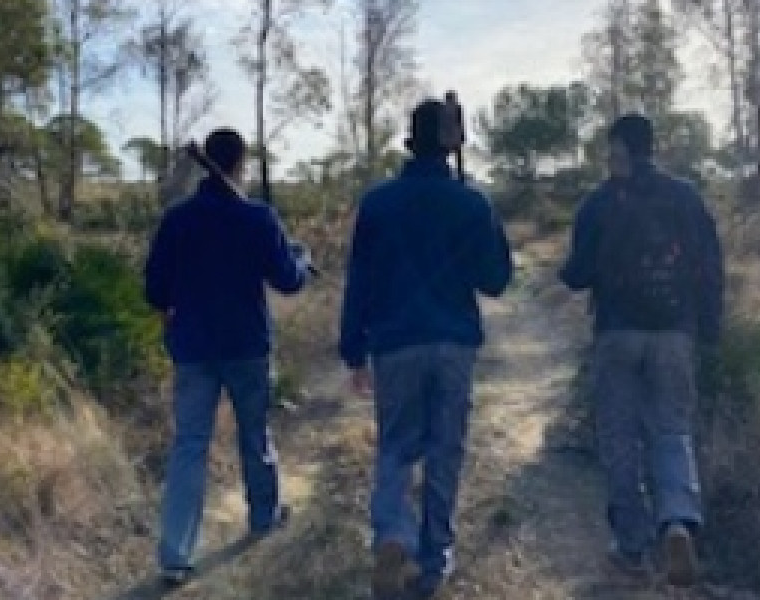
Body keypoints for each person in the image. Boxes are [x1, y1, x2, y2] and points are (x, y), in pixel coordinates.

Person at [341, 99, 513, 600]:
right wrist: (482, 219)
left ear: (410, 140)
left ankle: (393, 535)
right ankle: (433, 557)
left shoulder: (377, 203)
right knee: (446, 449)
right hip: (453, 342)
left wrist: (353, 350)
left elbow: (361, 282)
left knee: (396, 446)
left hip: (394, 343)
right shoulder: (471, 202)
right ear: (453, 143)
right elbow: (497, 280)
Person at [560, 114, 724, 586]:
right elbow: (710, 265)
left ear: (619, 149)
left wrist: (564, 274)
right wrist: (709, 328)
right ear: (654, 147)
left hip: (617, 333)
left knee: (619, 437)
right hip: (675, 332)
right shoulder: (686, 197)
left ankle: (631, 550)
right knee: (672, 430)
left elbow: (577, 273)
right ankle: (676, 520)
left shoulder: (600, 201)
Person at [145, 128, 311, 584]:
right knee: (255, 436)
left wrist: (172, 316)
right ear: (241, 164)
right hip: (246, 347)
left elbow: (154, 288)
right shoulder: (258, 218)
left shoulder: (178, 220)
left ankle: (177, 554)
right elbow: (288, 281)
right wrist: (302, 259)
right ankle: (264, 516)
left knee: (189, 447)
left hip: (193, 349)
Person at [440, 90, 466, 180]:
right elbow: (460, 122)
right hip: (454, 133)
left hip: (446, 134)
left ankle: (444, 172)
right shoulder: (457, 107)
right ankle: (460, 173)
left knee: (445, 155)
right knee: (457, 155)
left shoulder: (442, 108)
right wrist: (462, 134)